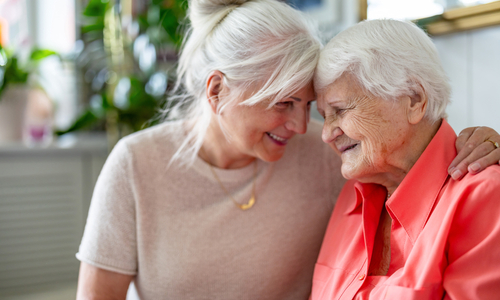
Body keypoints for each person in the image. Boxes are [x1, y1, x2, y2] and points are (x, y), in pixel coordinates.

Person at [76, 0, 500, 298]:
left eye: (311, 107)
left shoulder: (334, 163)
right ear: (217, 90)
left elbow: (417, 154)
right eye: (284, 103)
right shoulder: (135, 164)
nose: (305, 128)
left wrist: (483, 143)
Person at [312, 19, 500, 299]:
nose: (327, 133)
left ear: (413, 99)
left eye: (340, 110)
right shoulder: (351, 196)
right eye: (323, 115)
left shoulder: (484, 196)